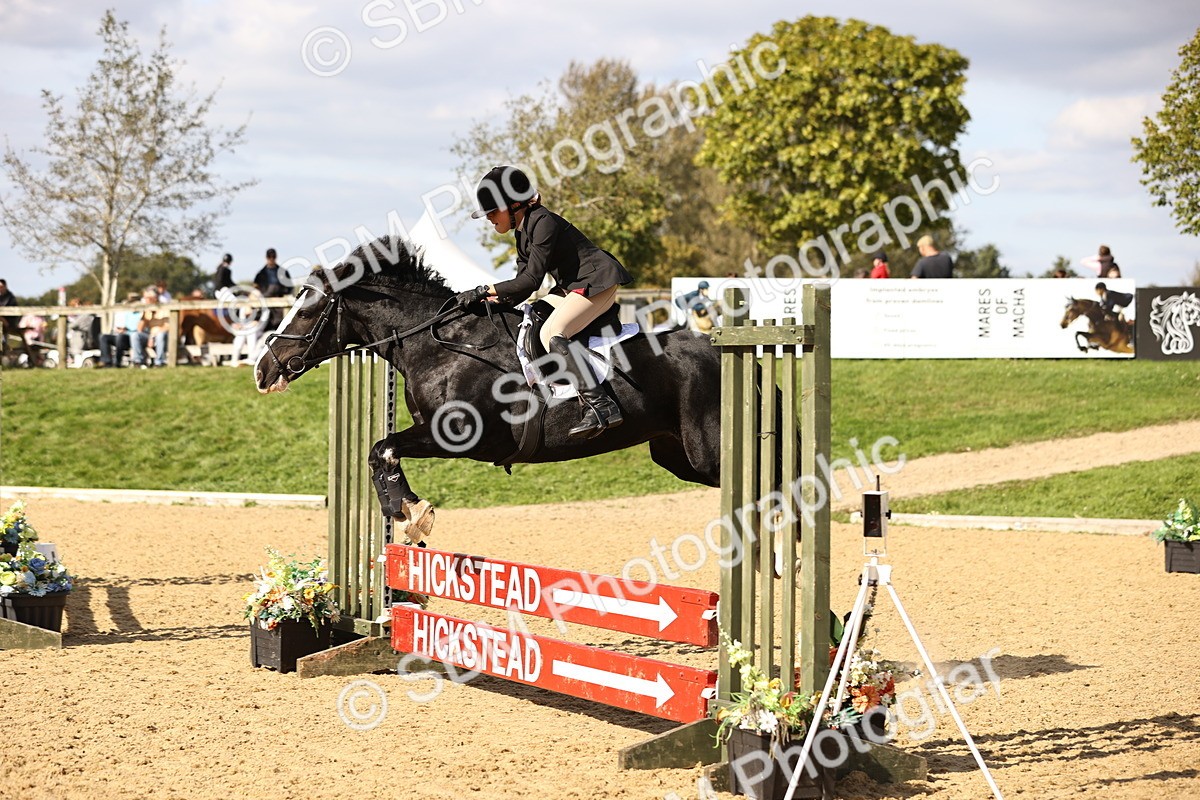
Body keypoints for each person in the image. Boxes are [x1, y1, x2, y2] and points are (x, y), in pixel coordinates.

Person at [459, 165, 633, 439]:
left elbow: (531, 280)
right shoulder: (523, 232)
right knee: (532, 317)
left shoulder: (543, 222)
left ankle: (601, 404)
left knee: (553, 332)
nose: (489, 219)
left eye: (492, 212)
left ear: (513, 205)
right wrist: (490, 300)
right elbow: (520, 288)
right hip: (572, 288)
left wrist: (483, 288)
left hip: (597, 283)